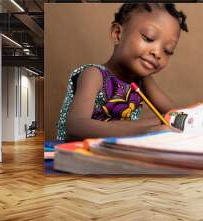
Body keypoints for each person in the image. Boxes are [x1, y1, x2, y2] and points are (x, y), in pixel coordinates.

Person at [57, 3, 188, 141]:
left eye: (167, 50)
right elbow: (75, 127)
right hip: (74, 152)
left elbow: (175, 114)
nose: (157, 53)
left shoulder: (143, 80)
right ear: (117, 34)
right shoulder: (94, 74)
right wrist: (144, 129)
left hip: (113, 151)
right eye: (148, 38)